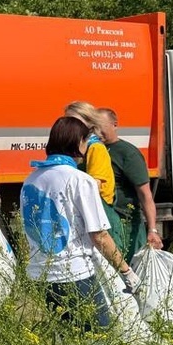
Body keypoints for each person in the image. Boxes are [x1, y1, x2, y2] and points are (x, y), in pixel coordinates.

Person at [21, 116, 141, 328]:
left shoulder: (32, 179)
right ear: (78, 143)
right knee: (97, 335)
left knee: (68, 335)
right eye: (87, 141)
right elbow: (99, 235)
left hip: (40, 273)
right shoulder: (79, 180)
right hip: (74, 273)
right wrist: (126, 271)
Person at [97, 107, 165, 261]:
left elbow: (145, 195)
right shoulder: (93, 150)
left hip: (125, 224)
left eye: (102, 127)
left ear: (115, 125)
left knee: (129, 271)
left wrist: (152, 229)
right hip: (103, 224)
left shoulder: (128, 154)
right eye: (94, 127)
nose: (98, 132)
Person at [64, 101, 122, 250]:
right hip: (87, 212)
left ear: (89, 123)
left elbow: (93, 186)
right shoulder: (76, 150)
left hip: (101, 214)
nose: (70, 126)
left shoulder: (95, 148)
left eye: (75, 121)